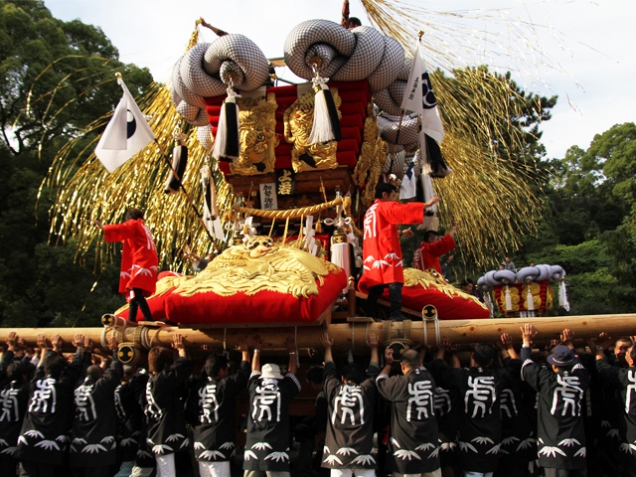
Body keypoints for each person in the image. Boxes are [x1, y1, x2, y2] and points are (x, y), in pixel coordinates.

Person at [431, 337, 520, 477]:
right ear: (491, 362)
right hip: (492, 441)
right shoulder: (497, 377)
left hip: (469, 441)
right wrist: (505, 348)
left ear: (472, 356)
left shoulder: (463, 377)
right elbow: (516, 368)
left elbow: (438, 369)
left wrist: (442, 349)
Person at [359, 182, 441, 321]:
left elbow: (381, 230)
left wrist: (401, 232)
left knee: (376, 284)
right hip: (385, 249)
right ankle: (395, 313)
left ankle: (371, 313)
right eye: (392, 196)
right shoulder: (384, 206)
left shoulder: (370, 211)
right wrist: (424, 205)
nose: (394, 200)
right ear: (384, 195)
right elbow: (402, 210)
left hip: (373, 250)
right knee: (394, 280)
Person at [520, 324, 590, 477]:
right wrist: (570, 344)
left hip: (554, 450)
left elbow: (526, 364)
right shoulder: (581, 379)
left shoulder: (546, 380)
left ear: (554, 366)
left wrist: (526, 341)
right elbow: (578, 365)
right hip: (577, 449)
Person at [16, 334, 84, 477]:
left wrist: (51, 349)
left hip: (27, 439)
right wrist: (79, 348)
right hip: (49, 442)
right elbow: (75, 369)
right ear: (61, 373)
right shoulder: (62, 386)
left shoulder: (34, 383)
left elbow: (41, 368)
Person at [320, 332, 380, 477]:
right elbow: (374, 372)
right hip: (363, 451)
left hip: (338, 454)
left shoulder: (334, 390)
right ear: (361, 379)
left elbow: (328, 370)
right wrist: (374, 348)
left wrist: (328, 348)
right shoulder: (365, 390)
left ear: (342, 378)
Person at [376, 347, 441, 477]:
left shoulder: (400, 383)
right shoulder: (429, 380)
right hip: (430, 453)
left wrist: (389, 363)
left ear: (402, 366)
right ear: (420, 363)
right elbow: (421, 368)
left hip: (406, 452)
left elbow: (380, 381)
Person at [190, 341, 251, 477]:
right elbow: (243, 375)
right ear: (220, 371)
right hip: (219, 445)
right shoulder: (224, 386)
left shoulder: (197, 387)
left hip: (201, 443)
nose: (228, 371)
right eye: (226, 369)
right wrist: (245, 351)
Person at [243, 337, 301, 477]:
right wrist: (292, 352)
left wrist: (256, 350)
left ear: (262, 377)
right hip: (276, 447)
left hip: (253, 446)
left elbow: (254, 371)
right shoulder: (282, 388)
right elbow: (292, 374)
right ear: (278, 377)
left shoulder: (254, 386)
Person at [69, 335, 122, 477]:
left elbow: (81, 372)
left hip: (77, 447)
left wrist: (87, 352)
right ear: (100, 377)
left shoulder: (76, 386)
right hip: (99, 449)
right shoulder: (100, 388)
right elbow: (115, 372)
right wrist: (115, 351)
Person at [95, 208, 158, 323]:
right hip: (149, 261)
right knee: (133, 291)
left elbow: (122, 229)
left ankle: (149, 319)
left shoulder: (134, 223)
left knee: (135, 290)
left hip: (143, 261)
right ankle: (132, 320)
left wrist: (104, 227)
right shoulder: (143, 227)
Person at [144, 334, 193, 477]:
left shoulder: (151, 380)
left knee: (163, 472)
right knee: (167, 474)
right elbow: (181, 367)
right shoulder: (160, 381)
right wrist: (181, 349)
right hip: (164, 434)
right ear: (166, 364)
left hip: (158, 432)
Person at [594, 334, 636, 477]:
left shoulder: (622, 375)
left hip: (630, 433)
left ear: (631, 359)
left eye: (628, 350)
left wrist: (599, 348)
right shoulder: (620, 371)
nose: (624, 352)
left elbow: (600, 365)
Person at [0, 332, 33, 477]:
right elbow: (37, 375)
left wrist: (10, 350)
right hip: (12, 440)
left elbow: (2, 371)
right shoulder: (25, 390)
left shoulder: (2, 387)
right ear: (25, 377)